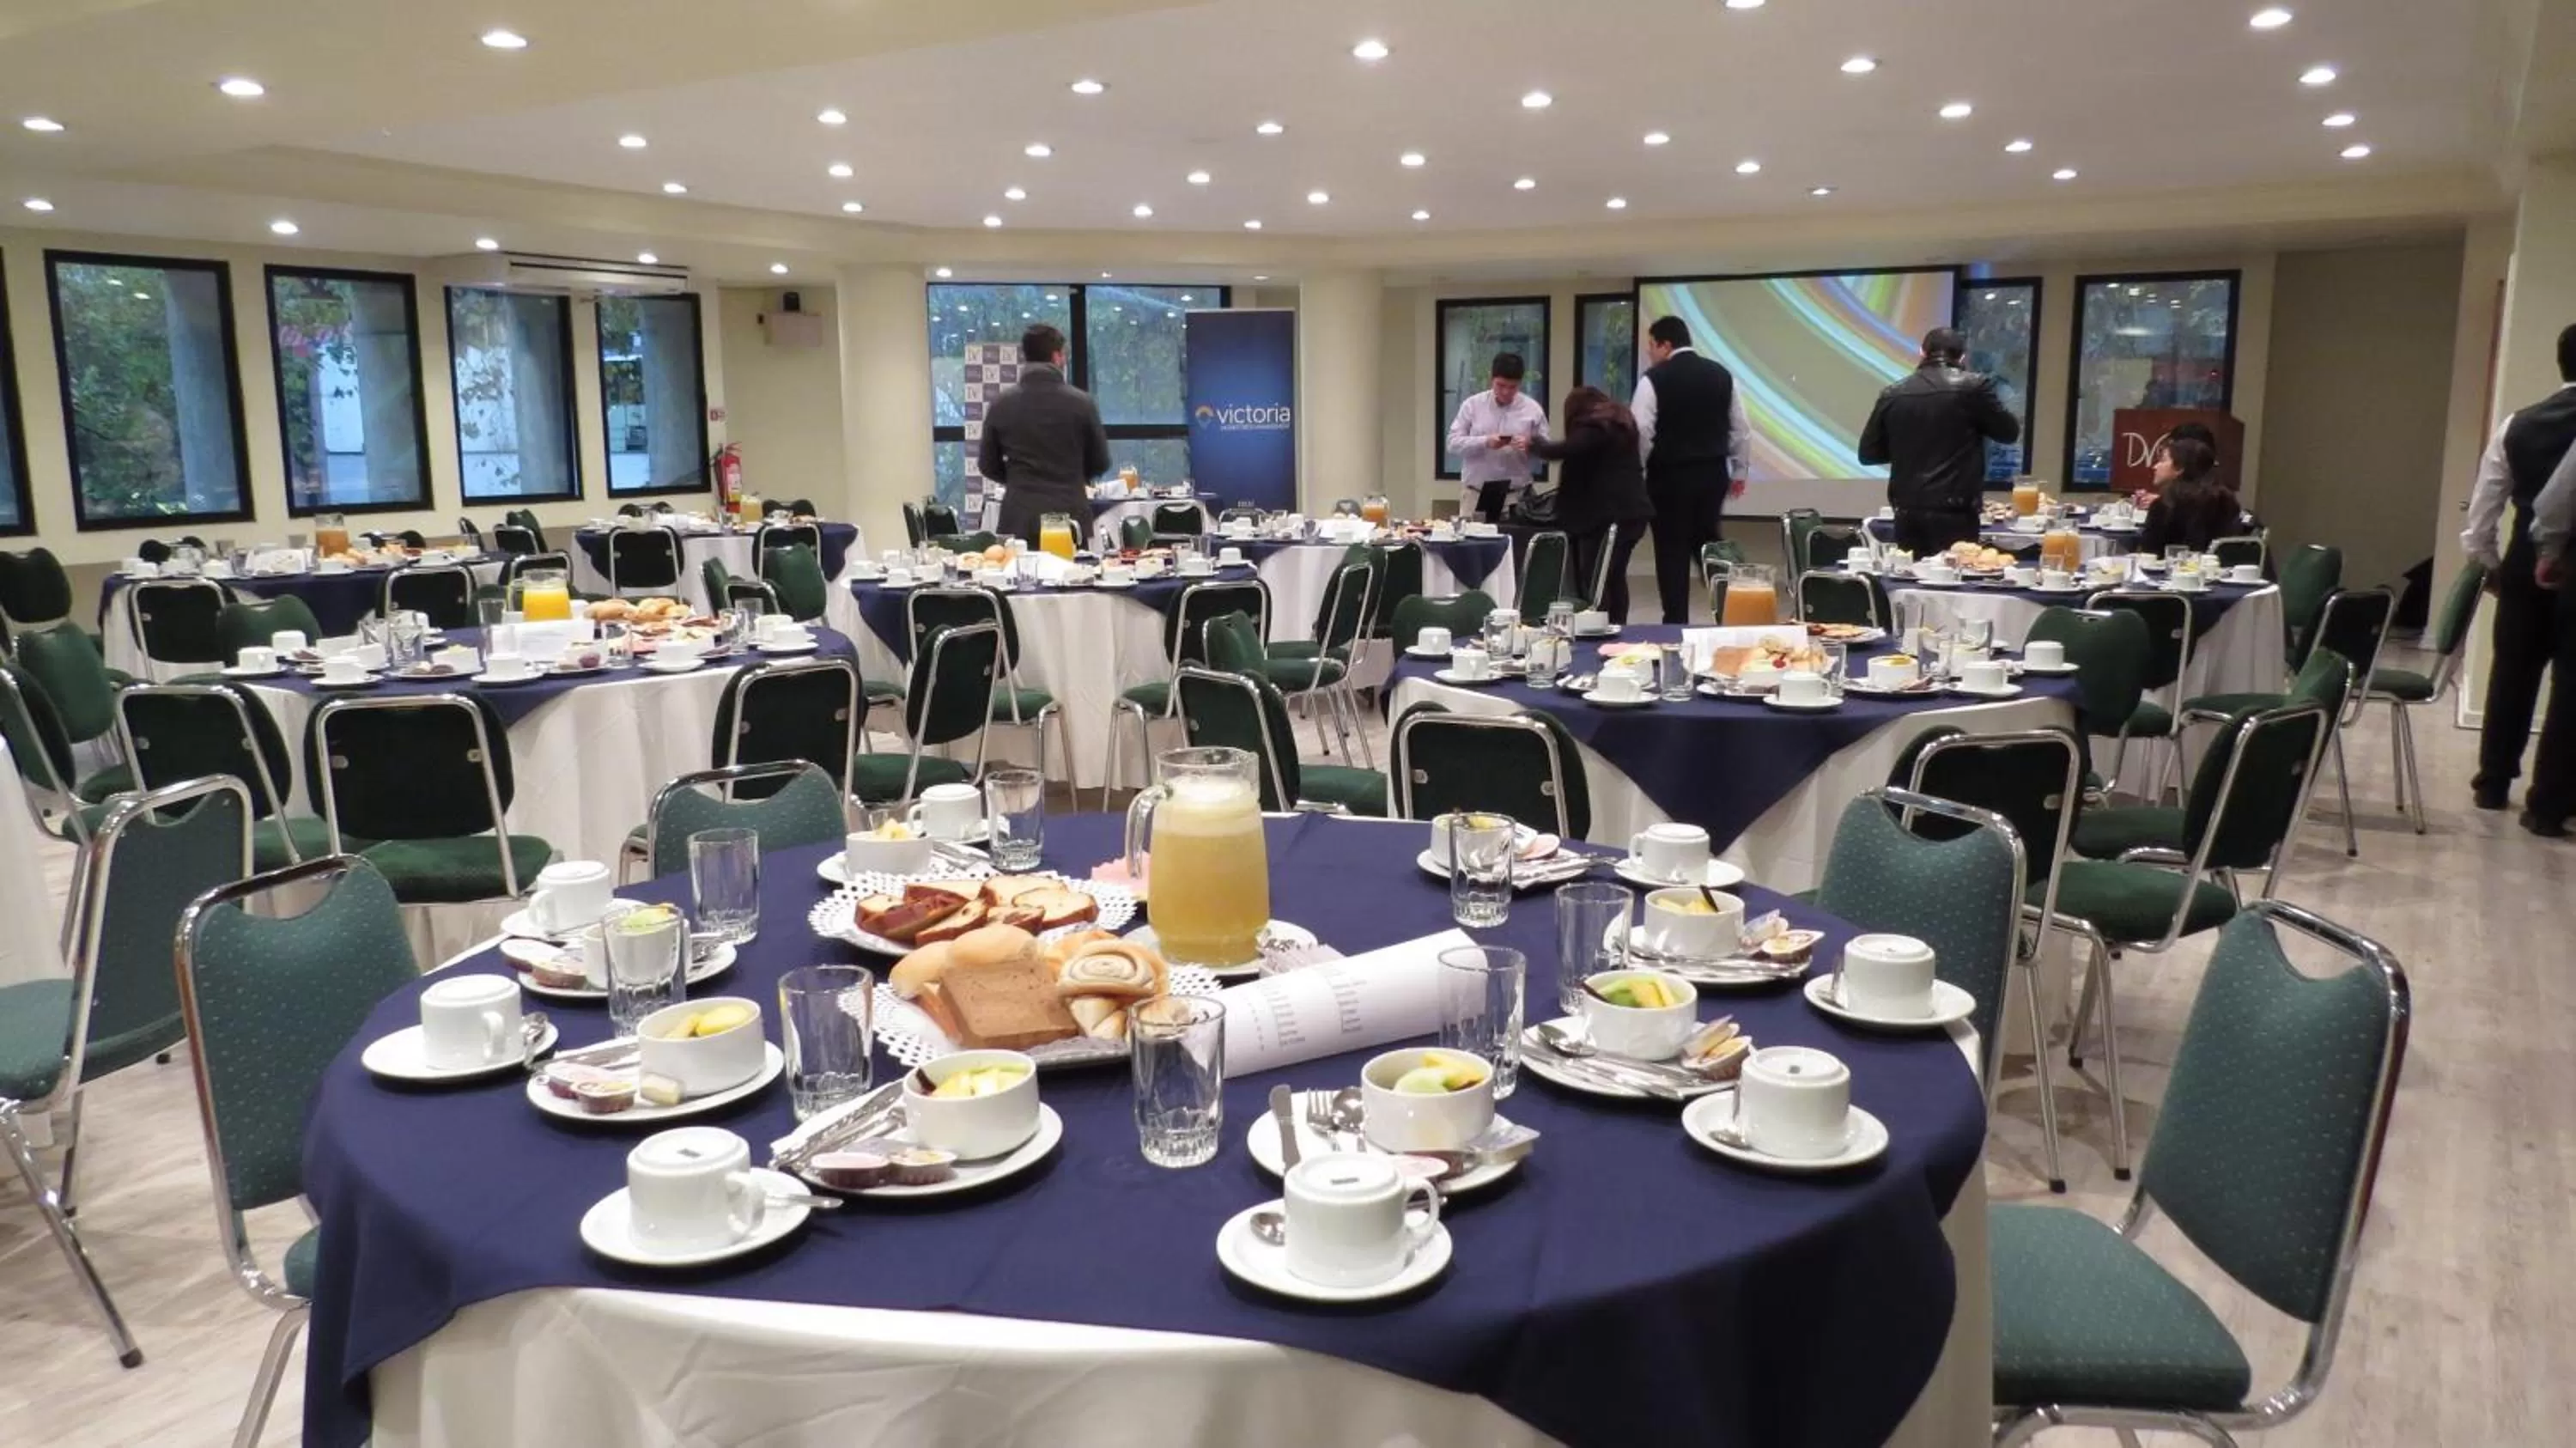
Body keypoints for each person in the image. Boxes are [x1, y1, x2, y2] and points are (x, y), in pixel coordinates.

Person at [2462, 322, 2576, 833]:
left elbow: (2484, 509)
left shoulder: (2518, 425)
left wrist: (2489, 565)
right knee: (2570, 688)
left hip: (2523, 560)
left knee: (2512, 672)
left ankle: (2492, 782)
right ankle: (2549, 801)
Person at [1858, 325, 2022, 553]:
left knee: (1911, 572)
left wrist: (1905, 447)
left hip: (1907, 511)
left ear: (1922, 353)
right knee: (1956, 572)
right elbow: (2009, 433)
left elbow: (1868, 454)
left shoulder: (1893, 393)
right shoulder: (1974, 388)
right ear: (1962, 357)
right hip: (1956, 512)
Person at [1631, 316, 1748, 623]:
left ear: (1665, 344)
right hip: (1712, 475)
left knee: (1671, 549)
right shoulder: (1722, 375)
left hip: (1668, 478)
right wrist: (1739, 471)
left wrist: (1637, 470)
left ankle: (1675, 621)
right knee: (1708, 543)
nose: (1649, 353)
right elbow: (1740, 428)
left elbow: (1642, 430)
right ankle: (1730, 610)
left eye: (1651, 346)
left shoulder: (1653, 379)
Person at [1524, 386, 1654, 623]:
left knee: (1595, 576)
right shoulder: (1622, 423)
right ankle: (1617, 625)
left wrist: (1535, 445)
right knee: (1614, 575)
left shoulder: (1594, 427)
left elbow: (1565, 450)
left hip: (1605, 516)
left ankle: (1600, 624)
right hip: (1633, 512)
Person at [977, 324, 1110, 545]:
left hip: (1019, 517)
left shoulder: (1001, 404)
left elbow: (987, 464)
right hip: (1069, 516)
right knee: (1071, 568)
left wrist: (1017, 479)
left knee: (1021, 569)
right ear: (1057, 356)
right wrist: (1073, 476)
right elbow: (1101, 462)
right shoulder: (1082, 403)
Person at [1445, 352, 1549, 522]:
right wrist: (1484, 441)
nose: (1506, 392)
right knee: (1473, 539)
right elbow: (1452, 443)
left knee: (1518, 539)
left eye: (1512, 387)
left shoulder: (1533, 410)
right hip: (1476, 494)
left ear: (1520, 383)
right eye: (1500, 385)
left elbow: (1547, 455)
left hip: (1517, 496)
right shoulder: (1472, 406)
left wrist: (1531, 446)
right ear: (1491, 379)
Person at [2133, 437, 2242, 555]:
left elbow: (2148, 554)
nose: (2155, 466)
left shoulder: (2164, 505)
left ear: (2179, 468)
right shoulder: (2225, 500)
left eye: (2163, 460)